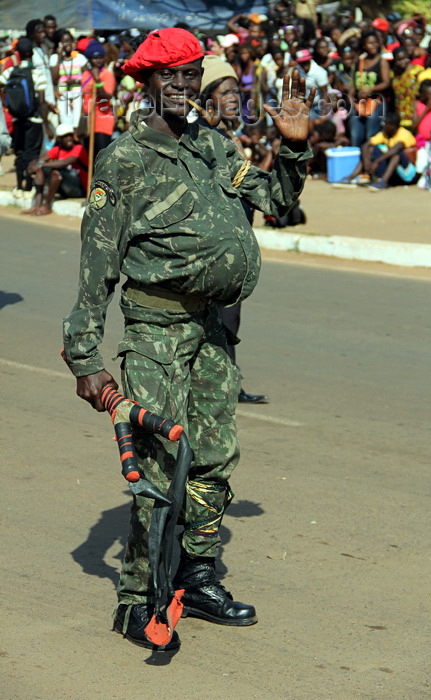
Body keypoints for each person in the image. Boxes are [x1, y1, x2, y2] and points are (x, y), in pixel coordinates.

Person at [62, 27, 313, 653]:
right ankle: (137, 598)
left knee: (213, 457)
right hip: (155, 333)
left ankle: (197, 577)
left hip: (209, 333)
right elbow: (98, 265)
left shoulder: (212, 143)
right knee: (155, 468)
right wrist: (86, 357)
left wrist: (294, 151)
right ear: (148, 83)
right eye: (169, 75)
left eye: (190, 74)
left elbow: (276, 200)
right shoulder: (124, 159)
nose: (181, 85)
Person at [198, 54, 269, 404]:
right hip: (214, 248)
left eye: (237, 92)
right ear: (207, 96)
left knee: (230, 319)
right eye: (225, 92)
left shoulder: (227, 135)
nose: (235, 99)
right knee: (221, 319)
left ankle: (230, 383)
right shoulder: (205, 139)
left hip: (236, 244)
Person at [0, 36, 49, 198]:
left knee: (19, 152)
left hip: (16, 119)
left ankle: (19, 187)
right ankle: (29, 187)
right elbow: (41, 102)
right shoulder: (37, 74)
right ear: (32, 54)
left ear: (18, 54)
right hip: (34, 120)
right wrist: (47, 125)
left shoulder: (10, 72)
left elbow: (1, 85)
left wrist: (7, 105)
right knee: (31, 153)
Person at [333, 112, 416, 191]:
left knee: (396, 155)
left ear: (393, 126)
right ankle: (349, 178)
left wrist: (377, 161)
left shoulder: (404, 134)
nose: (382, 126)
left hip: (407, 175)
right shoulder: (385, 134)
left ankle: (383, 181)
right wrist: (367, 162)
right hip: (394, 173)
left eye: (384, 123)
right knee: (370, 150)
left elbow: (395, 150)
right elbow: (366, 145)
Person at [23, 123, 88, 215]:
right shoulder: (58, 149)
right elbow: (40, 160)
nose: (68, 138)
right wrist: (33, 165)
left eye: (70, 135)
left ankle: (47, 206)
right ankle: (37, 205)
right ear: (59, 139)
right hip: (64, 187)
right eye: (64, 136)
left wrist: (41, 165)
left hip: (79, 188)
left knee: (56, 172)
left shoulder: (79, 148)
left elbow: (64, 163)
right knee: (40, 171)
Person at [80, 40, 116, 159]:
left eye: (100, 57)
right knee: (90, 157)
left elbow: (106, 97)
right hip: (88, 121)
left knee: (101, 157)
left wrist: (97, 81)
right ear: (89, 59)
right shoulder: (85, 74)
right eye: (95, 58)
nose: (98, 61)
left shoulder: (107, 74)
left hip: (102, 120)